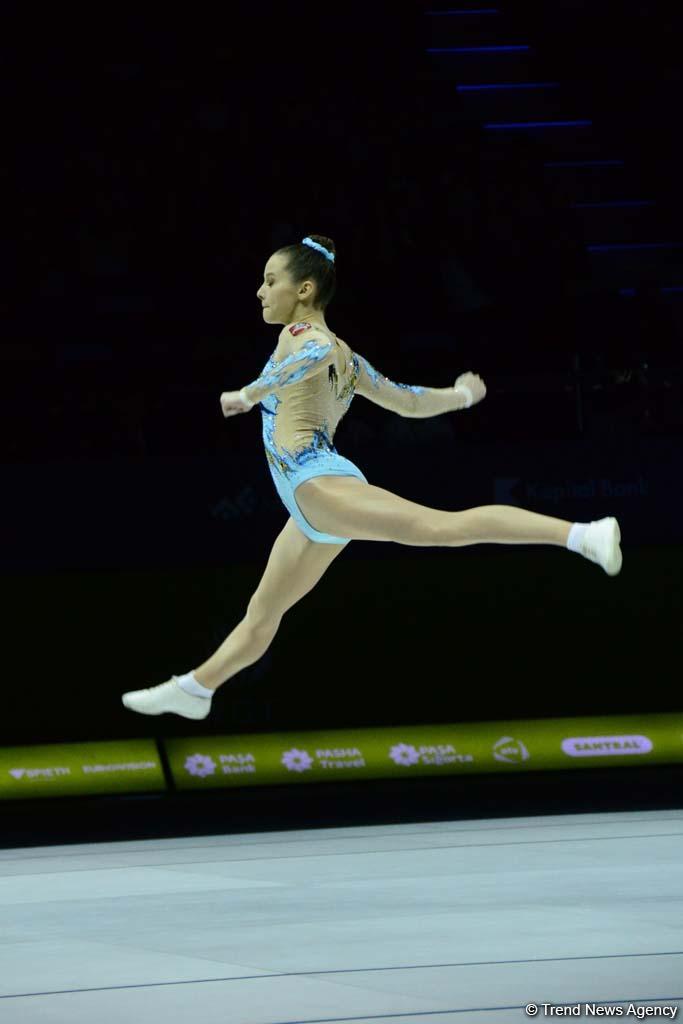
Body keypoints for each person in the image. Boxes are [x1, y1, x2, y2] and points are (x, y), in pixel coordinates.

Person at [122, 234, 622, 721]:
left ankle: (582, 535)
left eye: (269, 280)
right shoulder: (349, 357)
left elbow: (311, 358)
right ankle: (197, 688)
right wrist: (460, 396)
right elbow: (407, 400)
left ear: (304, 291)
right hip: (309, 508)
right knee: (262, 613)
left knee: (442, 529)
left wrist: (252, 391)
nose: (259, 291)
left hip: (319, 484)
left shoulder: (306, 338)